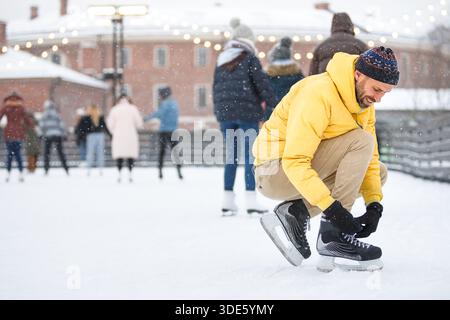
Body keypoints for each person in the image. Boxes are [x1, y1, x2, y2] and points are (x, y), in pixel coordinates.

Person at [254, 47, 399, 271]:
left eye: (385, 93)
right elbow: (295, 161)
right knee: (361, 141)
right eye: (377, 89)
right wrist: (333, 211)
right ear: (358, 75)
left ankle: (296, 213)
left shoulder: (364, 102)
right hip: (273, 169)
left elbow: (369, 160)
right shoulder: (318, 93)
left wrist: (374, 205)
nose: (379, 98)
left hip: (297, 168)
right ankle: (334, 236)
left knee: (378, 172)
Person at [213, 18, 277, 216]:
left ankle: (227, 201)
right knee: (250, 157)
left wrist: (219, 112)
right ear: (248, 40)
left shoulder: (221, 60)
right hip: (247, 114)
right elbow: (262, 85)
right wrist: (273, 107)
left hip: (226, 115)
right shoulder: (250, 58)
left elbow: (215, 89)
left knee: (231, 158)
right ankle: (251, 200)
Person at [144, 86, 182, 180]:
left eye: (160, 95)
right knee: (175, 152)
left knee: (162, 152)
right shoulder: (174, 104)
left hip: (164, 131)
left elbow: (159, 114)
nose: (159, 97)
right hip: (173, 131)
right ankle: (179, 171)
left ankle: (160, 171)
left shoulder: (165, 104)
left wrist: (146, 118)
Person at [107, 94, 143, 183]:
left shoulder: (114, 110)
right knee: (130, 155)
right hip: (131, 135)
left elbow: (110, 124)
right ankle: (130, 174)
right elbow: (139, 123)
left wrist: (114, 132)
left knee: (119, 156)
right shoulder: (133, 109)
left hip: (118, 135)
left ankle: (119, 173)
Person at [266, 36, 304, 119]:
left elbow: (264, 93)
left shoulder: (268, 75)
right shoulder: (297, 74)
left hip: (272, 112)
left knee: (272, 131)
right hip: (292, 112)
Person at [0, 92, 33, 182]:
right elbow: (27, 120)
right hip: (18, 133)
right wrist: (31, 126)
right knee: (18, 154)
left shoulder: (6, 107)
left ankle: (8, 173)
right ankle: (21, 173)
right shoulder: (21, 108)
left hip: (8, 133)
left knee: (9, 154)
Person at [39, 100, 69, 175]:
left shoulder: (44, 115)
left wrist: (40, 134)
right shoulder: (56, 114)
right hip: (57, 135)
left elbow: (41, 126)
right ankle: (66, 169)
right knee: (60, 152)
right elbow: (61, 125)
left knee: (47, 153)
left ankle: (46, 169)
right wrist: (64, 134)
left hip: (48, 136)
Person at [85, 104, 110, 176]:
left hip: (95, 135)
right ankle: (94, 169)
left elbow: (104, 126)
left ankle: (94, 169)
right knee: (96, 152)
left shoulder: (95, 117)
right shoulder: (89, 117)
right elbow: (105, 126)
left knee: (93, 152)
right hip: (95, 135)